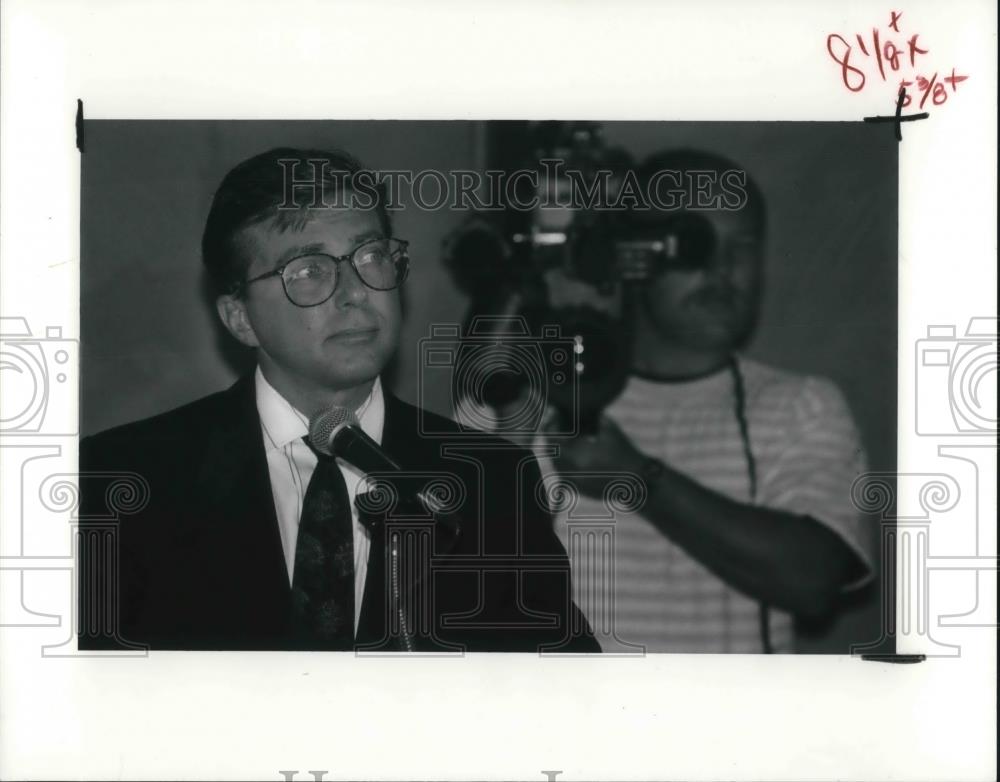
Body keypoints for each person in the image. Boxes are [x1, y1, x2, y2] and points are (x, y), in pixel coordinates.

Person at [77, 147, 598, 653]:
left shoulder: (493, 484)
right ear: (240, 317)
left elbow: (562, 702)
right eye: (308, 270)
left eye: (371, 257)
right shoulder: (126, 480)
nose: (355, 292)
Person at [538, 149, 875, 653]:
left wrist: (639, 478)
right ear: (634, 255)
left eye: (743, 246)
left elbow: (814, 579)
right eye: (694, 244)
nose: (723, 270)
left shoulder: (801, 405)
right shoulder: (543, 404)